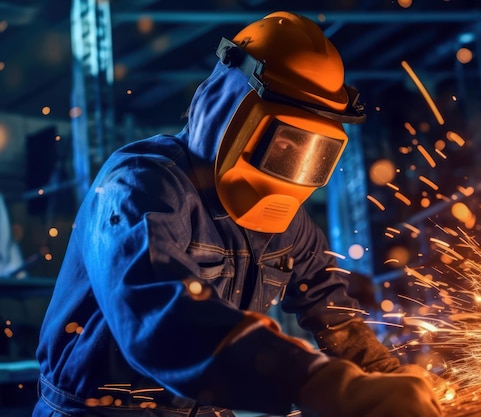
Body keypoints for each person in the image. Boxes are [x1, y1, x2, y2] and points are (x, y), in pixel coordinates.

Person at [34, 11, 443, 417]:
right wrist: (314, 380)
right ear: (229, 112)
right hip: (102, 412)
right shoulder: (140, 187)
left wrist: (385, 379)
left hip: (208, 409)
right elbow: (163, 319)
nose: (294, 165)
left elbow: (331, 311)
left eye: (310, 152)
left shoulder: (291, 228)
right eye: (284, 144)